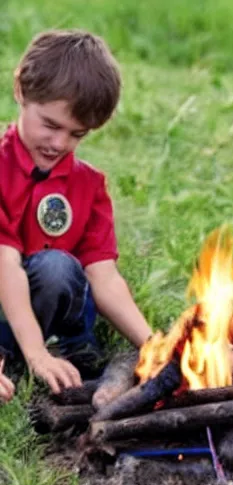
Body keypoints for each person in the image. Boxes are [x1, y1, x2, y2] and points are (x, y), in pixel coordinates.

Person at [0, 30, 152, 402]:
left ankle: (61, 351)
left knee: (59, 269)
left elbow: (105, 278)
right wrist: (35, 353)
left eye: (77, 134)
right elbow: (4, 263)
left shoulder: (88, 185)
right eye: (50, 125)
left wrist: (155, 345)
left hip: (53, 317)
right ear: (21, 90)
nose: (59, 144)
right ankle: (22, 355)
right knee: (51, 266)